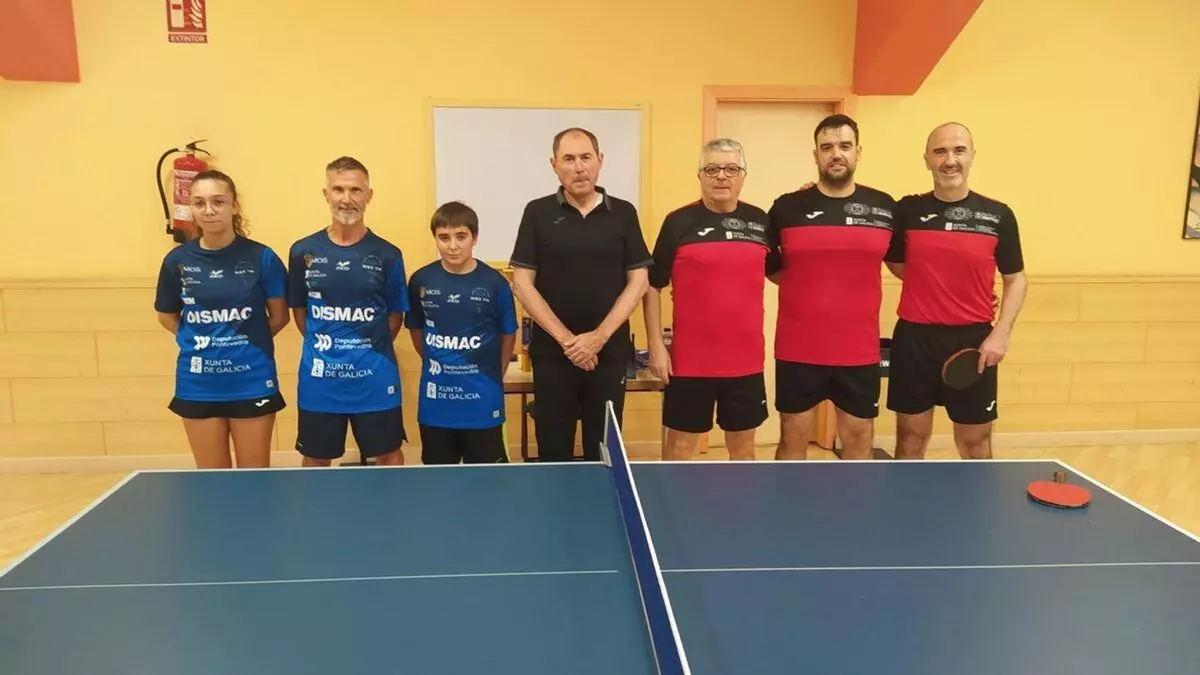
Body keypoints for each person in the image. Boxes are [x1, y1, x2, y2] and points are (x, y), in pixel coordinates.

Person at [884, 122, 1028, 459]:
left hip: (973, 343)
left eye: (958, 150)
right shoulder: (906, 211)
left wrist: (1001, 333)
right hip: (915, 341)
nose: (950, 160)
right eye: (940, 152)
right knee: (910, 439)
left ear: (972, 156)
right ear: (927, 160)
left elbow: (1016, 278)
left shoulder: (998, 215)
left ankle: (977, 497)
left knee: (975, 442)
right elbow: (895, 261)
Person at [509, 127, 652, 462]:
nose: (579, 167)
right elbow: (522, 283)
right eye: (569, 159)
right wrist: (569, 342)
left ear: (599, 160)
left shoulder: (624, 213)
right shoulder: (537, 213)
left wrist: (597, 339)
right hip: (553, 356)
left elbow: (639, 281)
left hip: (609, 355)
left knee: (604, 453)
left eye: (586, 157)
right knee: (553, 452)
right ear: (554, 165)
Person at [765, 114, 897, 461]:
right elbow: (767, 266)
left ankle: (856, 499)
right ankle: (790, 498)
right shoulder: (787, 207)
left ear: (858, 152)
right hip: (798, 348)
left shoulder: (884, 207)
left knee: (859, 437)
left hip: (858, 349)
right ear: (816, 155)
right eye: (827, 147)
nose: (836, 154)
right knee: (792, 436)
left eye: (844, 146)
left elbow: (908, 266)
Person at [643, 138, 770, 461]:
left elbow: (786, 271)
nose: (721, 176)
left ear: (743, 175)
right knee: (680, 449)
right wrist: (656, 345)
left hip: (745, 362)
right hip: (689, 363)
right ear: (699, 175)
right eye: (712, 169)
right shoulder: (677, 222)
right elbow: (652, 286)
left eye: (731, 169)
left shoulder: (761, 222)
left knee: (743, 449)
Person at [154, 170, 290, 469]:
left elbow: (280, 317)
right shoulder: (177, 261)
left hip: (252, 379)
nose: (209, 210)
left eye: (218, 201)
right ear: (191, 208)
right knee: (211, 480)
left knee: (253, 481)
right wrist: (198, 342)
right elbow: (166, 315)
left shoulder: (263, 257)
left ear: (234, 206)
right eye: (199, 203)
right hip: (198, 382)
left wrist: (245, 342)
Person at [287, 156, 410, 467]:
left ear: (368, 195)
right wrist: (327, 344)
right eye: (338, 189)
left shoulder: (389, 254)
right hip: (320, 379)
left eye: (355, 190)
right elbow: (300, 312)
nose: (347, 198)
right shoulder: (302, 252)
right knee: (315, 457)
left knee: (388, 454)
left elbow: (395, 318)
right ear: (326, 194)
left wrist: (365, 348)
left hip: (374, 378)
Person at [405, 201, 518, 464]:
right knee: (439, 479)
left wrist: (493, 376)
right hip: (436, 404)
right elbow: (417, 331)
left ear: (474, 238)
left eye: (461, 236)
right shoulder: (421, 280)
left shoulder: (496, 283)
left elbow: (508, 335)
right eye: (444, 238)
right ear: (435, 238)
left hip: (482, 402)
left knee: (486, 479)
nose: (453, 246)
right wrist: (441, 362)